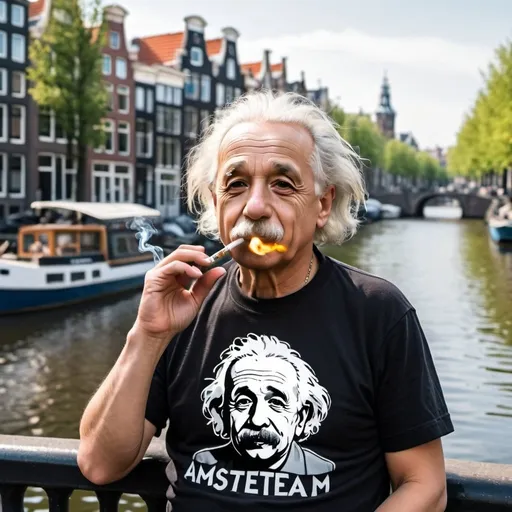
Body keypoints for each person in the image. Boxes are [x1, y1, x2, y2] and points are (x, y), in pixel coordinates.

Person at [77, 91, 454, 511]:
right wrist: (146, 335)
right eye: (236, 185)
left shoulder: (378, 312)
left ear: (323, 204)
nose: (255, 206)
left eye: (282, 184)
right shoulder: (182, 309)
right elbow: (99, 465)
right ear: (216, 202)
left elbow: (424, 484)